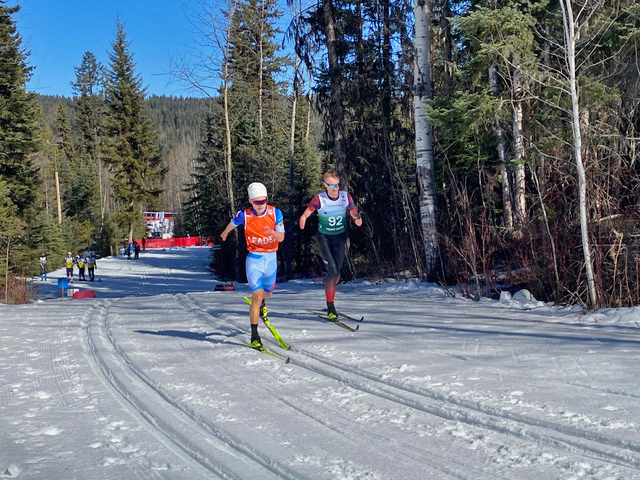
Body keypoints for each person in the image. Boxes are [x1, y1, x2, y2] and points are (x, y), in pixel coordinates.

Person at [219, 182, 285, 348]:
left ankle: (263, 302)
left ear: (267, 200)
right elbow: (234, 222)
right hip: (254, 259)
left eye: (263, 201)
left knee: (267, 293)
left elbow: (281, 238)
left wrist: (273, 233)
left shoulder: (275, 213)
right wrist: (225, 232)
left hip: (270, 259)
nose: (260, 205)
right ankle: (254, 335)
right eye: (257, 202)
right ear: (250, 201)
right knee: (256, 295)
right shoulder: (245, 215)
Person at [298, 170, 363, 319]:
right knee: (332, 270)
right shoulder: (319, 199)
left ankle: (330, 284)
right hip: (324, 238)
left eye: (337, 185)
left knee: (337, 271)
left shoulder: (345, 197)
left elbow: (354, 212)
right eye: (331, 185)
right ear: (325, 185)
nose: (335, 189)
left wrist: (356, 217)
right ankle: (330, 306)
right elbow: (307, 213)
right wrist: (303, 219)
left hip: (340, 238)